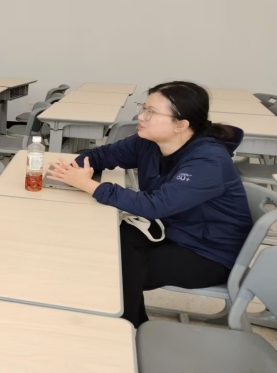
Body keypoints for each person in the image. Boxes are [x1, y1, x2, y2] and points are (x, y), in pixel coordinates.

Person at [46, 81, 252, 328]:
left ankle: (125, 328)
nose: (141, 117)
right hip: (172, 231)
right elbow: (103, 155)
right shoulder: (148, 141)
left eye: (151, 112)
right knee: (112, 244)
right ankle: (133, 321)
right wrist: (76, 169)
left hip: (209, 253)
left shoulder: (208, 160)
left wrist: (91, 186)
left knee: (112, 269)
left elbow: (155, 206)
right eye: (143, 108)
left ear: (181, 125)